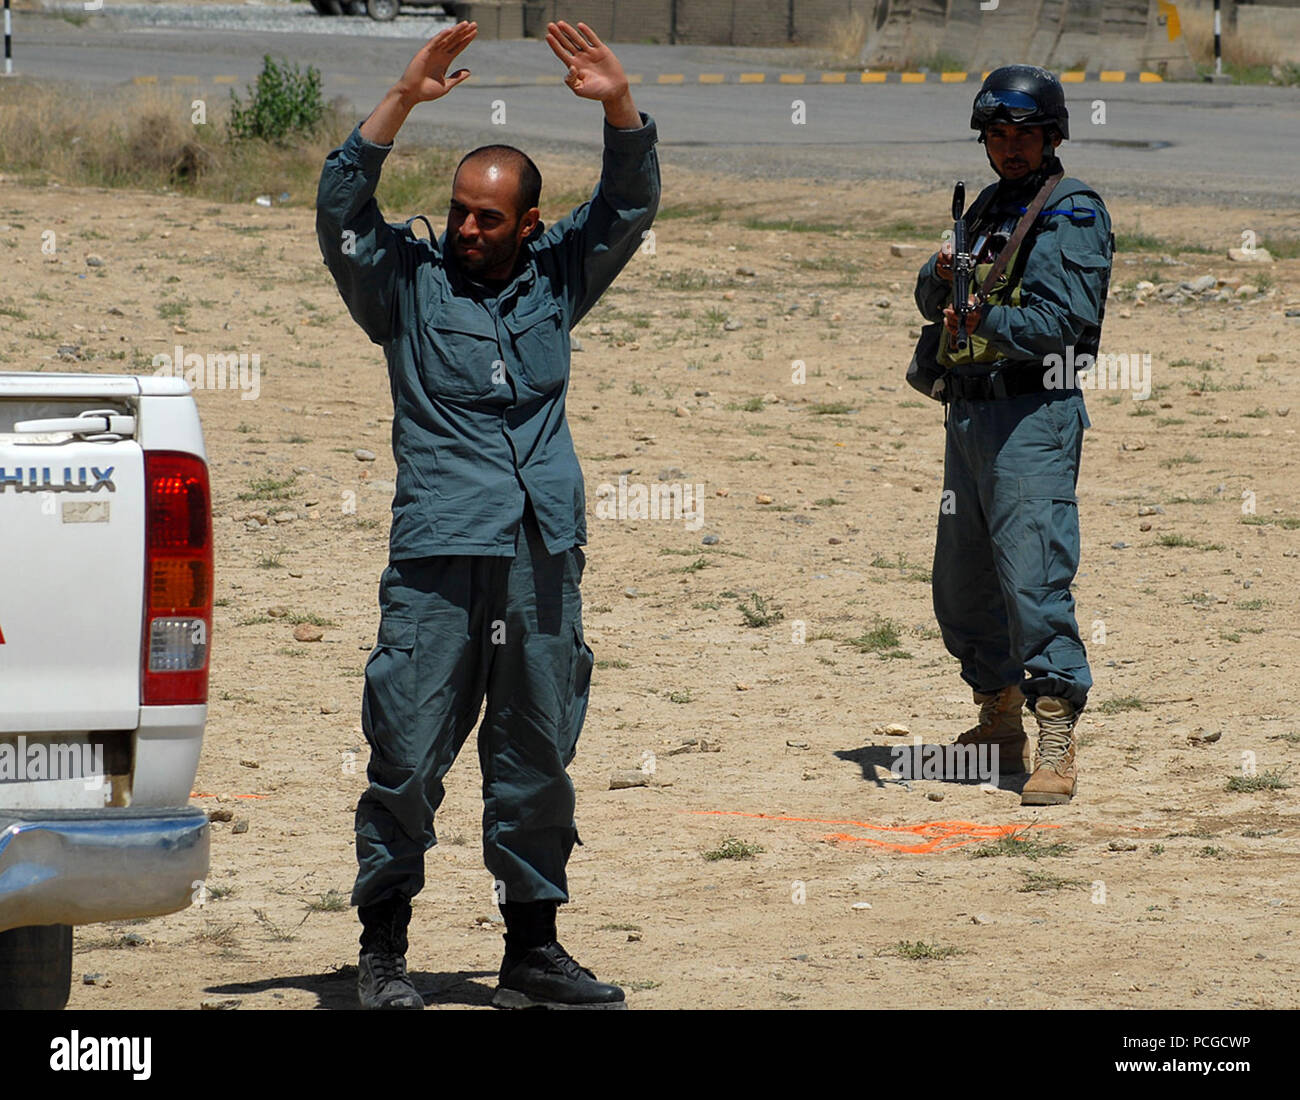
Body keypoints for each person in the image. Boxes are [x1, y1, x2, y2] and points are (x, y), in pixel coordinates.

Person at [315, 19, 659, 1009]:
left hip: (540, 555)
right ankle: (382, 953)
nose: (467, 231)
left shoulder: (560, 275)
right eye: (459, 213)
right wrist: (401, 98)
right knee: (405, 755)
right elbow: (341, 205)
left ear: (529, 223)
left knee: (537, 751)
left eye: (488, 219)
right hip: (438, 559)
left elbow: (630, 204)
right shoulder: (405, 286)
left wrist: (618, 104)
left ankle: (532, 950)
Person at [913, 65, 1113, 806]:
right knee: (962, 583)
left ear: (1052, 135)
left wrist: (983, 317)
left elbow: (1067, 326)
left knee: (1033, 576)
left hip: (1033, 413)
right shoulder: (988, 207)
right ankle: (998, 718)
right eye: (997, 136)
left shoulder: (1073, 213)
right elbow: (933, 300)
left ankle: (1056, 729)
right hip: (968, 412)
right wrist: (941, 279)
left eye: (1023, 134)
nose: (1009, 148)